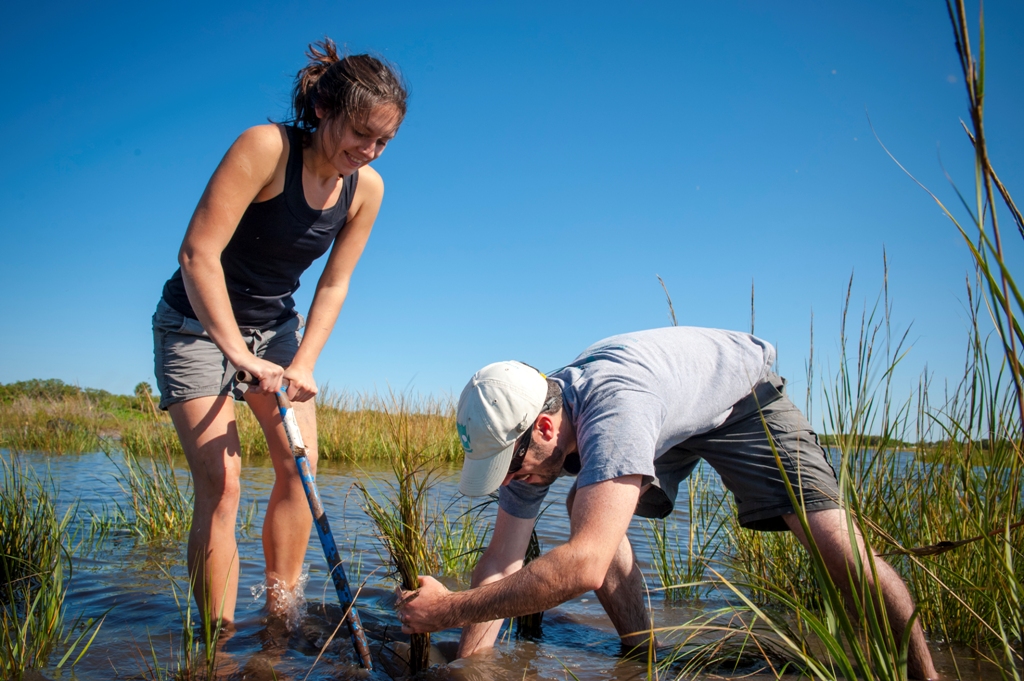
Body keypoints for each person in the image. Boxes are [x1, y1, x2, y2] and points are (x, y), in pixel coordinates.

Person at [396, 326, 939, 680]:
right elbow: (500, 562)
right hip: (667, 415)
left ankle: (926, 677)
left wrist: (447, 608)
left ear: (543, 427)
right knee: (588, 514)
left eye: (509, 467)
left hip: (743, 400)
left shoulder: (613, 410)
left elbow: (583, 564)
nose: (510, 480)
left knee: (836, 548)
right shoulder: (532, 431)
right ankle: (642, 654)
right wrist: (470, 669)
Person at [152, 39, 406, 625]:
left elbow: (335, 284)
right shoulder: (265, 147)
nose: (368, 151)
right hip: (194, 323)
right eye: (360, 133)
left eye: (383, 141)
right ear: (323, 110)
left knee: (299, 467)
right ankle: (217, 642)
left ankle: (279, 621)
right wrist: (236, 353)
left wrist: (304, 363)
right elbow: (198, 255)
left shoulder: (366, 189)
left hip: (275, 329)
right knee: (224, 482)